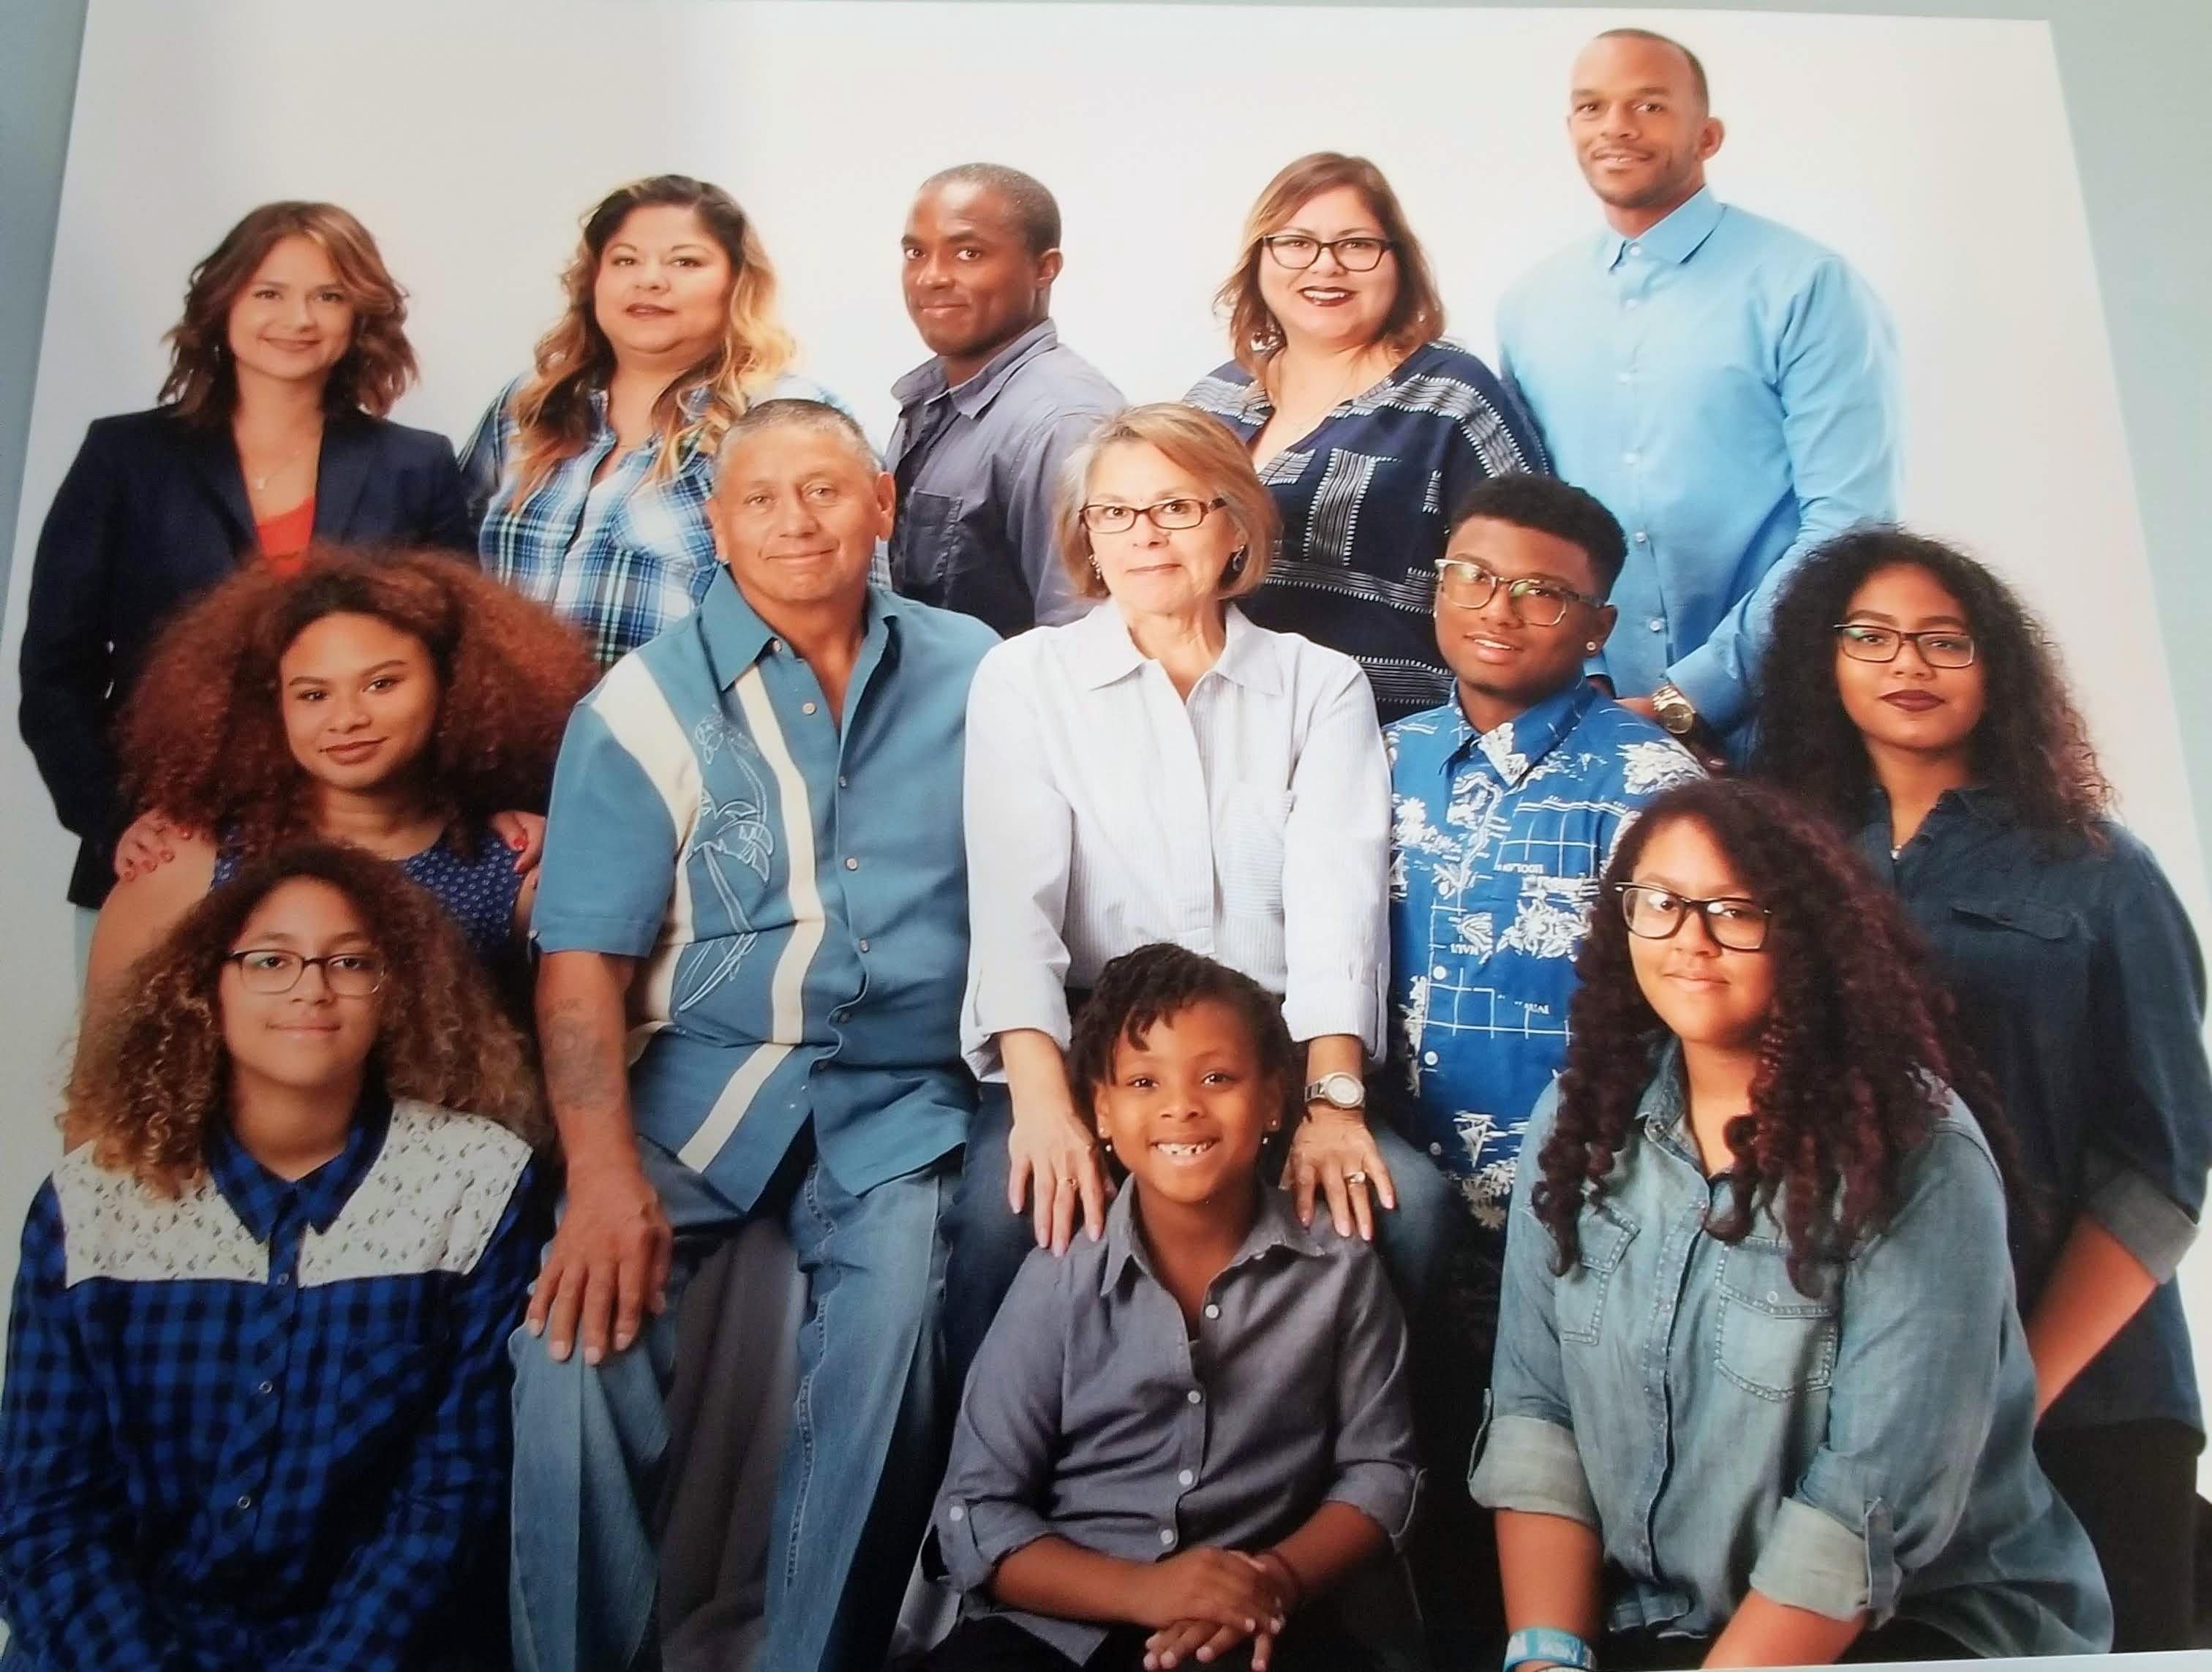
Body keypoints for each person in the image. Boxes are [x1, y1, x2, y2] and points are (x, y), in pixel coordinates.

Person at [508, 398, 997, 1672]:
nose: (797, 521)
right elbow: (579, 971)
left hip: (900, 1096)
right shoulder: (639, 706)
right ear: (716, 525)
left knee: (888, 1358)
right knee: (571, 1349)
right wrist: (602, 1182)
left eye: (827, 491)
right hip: (695, 1088)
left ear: (880, 506)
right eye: (762, 498)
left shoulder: (982, 670)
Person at [1472, 778, 2112, 1665]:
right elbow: (1538, 1417)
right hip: (1673, 1617)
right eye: (1660, 902)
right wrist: (1546, 1656)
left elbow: (1854, 1524)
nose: (1690, 941)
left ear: (1805, 937)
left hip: (1908, 1623)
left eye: (1736, 910)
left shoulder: (1919, 1159)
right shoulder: (1581, 1119)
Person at [1748, 528, 2212, 1650]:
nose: (1909, 661)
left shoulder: (2100, 867)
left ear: (1997, 666)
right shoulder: (1779, 864)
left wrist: (2014, 1390)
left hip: (2090, 1393)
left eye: (1945, 640)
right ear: (1825, 659)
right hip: (1850, 1399)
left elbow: (2164, 1168)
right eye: (1873, 636)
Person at [949, 402, 1444, 1387]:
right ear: (1085, 532)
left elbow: (1336, 901)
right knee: (1000, 1220)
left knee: (1410, 1208)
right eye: (1115, 512)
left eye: (1175, 506)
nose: (1144, 536)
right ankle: (969, 1521)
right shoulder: (1025, 676)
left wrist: (1332, 1100)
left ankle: (1398, 1506)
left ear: (1236, 523)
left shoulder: (1320, 684)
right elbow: (1014, 908)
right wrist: (1045, 1107)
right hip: (1090, 1042)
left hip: (1265, 1048)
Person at [0, 843, 543, 1672]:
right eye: (269, 960)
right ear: (206, 988)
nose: (311, 988)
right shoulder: (89, 1205)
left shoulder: (477, 1183)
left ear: (393, 989)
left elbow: (448, 1501)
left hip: (380, 1652)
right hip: (124, 1647)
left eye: (350, 962)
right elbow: (45, 1512)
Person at [1379, 475, 1698, 1660]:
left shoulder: (1650, 784)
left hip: (1574, 1214)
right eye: (1469, 575)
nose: (1494, 608)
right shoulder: (1380, 755)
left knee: (1557, 1507)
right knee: (1409, 1494)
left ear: (1595, 625)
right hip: (1395, 1204)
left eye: (1538, 591)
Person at [927, 943, 1420, 1672]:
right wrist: (1146, 1592)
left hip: (1258, 1621)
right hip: (1065, 1623)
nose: (1181, 1106)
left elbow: (1382, 1471)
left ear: (1277, 1099)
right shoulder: (1059, 1276)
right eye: (1143, 1081)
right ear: (1101, 1111)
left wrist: (1271, 1581)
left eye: (1217, 1077)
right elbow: (977, 1515)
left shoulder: (1339, 1272)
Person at [19, 201, 472, 925]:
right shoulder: (125, 458)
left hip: (366, 850)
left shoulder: (415, 464)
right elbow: (54, 672)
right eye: (270, 293)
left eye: (328, 296)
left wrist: (472, 813)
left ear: (361, 318)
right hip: (168, 843)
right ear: (222, 303)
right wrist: (111, 822)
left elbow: (459, 665)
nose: (298, 318)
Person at [1496, 28, 1900, 752]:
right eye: (1592, 108)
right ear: (1570, 130)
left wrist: (1695, 696)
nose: (1616, 126)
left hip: (1789, 717)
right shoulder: (1529, 308)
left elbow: (1849, 523)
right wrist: (1587, 679)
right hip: (1599, 727)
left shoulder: (1805, 285)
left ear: (1707, 134)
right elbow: (1537, 527)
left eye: (1648, 105)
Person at [82, 549, 595, 1016]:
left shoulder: (515, 871)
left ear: (454, 686)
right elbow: (104, 1089)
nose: (346, 718)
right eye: (312, 695)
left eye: (381, 684)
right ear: (271, 707)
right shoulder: (182, 863)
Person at [1186, 152, 1546, 723]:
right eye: (1296, 243)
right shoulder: (1214, 400)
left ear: (1398, 263)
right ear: (1259, 259)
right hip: (1230, 731)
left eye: (1356, 245)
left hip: (1396, 735)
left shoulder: (1451, 395)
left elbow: (1538, 566)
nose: (1326, 267)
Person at [462, 174, 839, 666]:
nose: (650, 280)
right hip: (513, 736)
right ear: (593, 280)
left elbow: (842, 620)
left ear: (736, 280)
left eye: (686, 262)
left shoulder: (785, 420)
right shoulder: (528, 405)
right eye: (625, 260)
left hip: (687, 735)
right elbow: (449, 574)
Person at [887, 163, 1124, 635]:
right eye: (916, 252)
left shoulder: (1064, 423)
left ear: (1044, 268)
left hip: (1007, 710)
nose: (931, 277)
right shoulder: (934, 398)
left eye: (968, 253)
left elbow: (1083, 639)